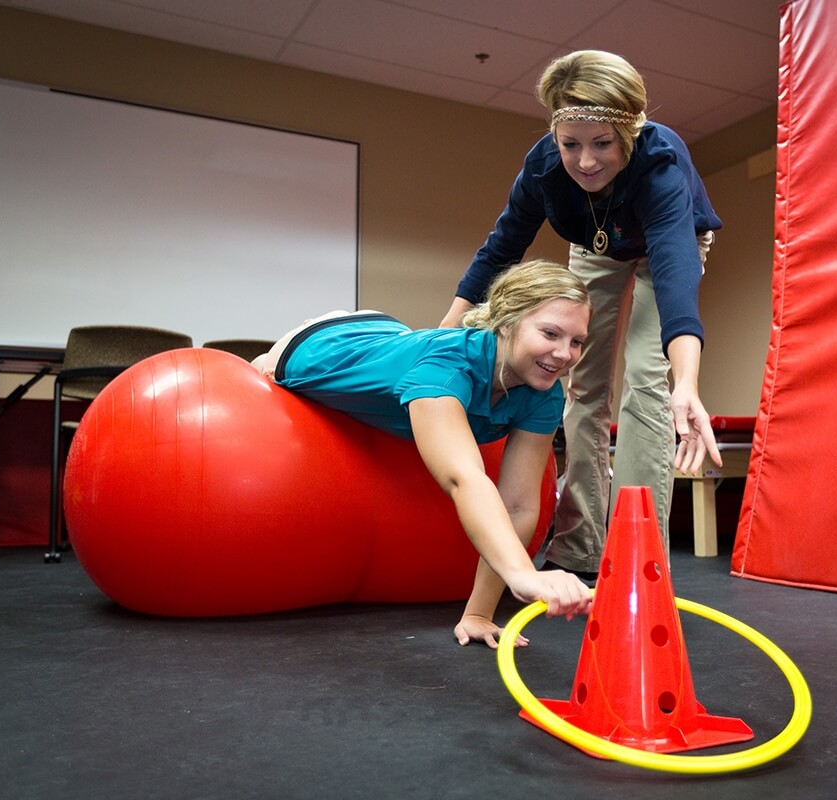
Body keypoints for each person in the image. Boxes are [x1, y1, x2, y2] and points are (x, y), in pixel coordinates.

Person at [439, 50, 724, 581]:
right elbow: (500, 250)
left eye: (602, 145)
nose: (586, 161)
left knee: (647, 382)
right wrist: (445, 330)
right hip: (596, 243)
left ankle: (638, 552)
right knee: (579, 383)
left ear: (630, 134)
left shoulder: (660, 166)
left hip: (669, 242)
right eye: (571, 144)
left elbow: (677, 283)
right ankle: (582, 547)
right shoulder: (545, 167)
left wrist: (687, 382)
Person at [253, 260, 594, 648]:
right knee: (269, 369)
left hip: (389, 333)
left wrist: (479, 613)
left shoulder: (542, 393)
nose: (564, 354)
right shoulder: (446, 369)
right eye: (550, 333)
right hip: (320, 344)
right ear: (506, 321)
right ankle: (267, 359)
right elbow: (463, 477)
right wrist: (522, 575)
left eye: (577, 341)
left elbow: (517, 504)